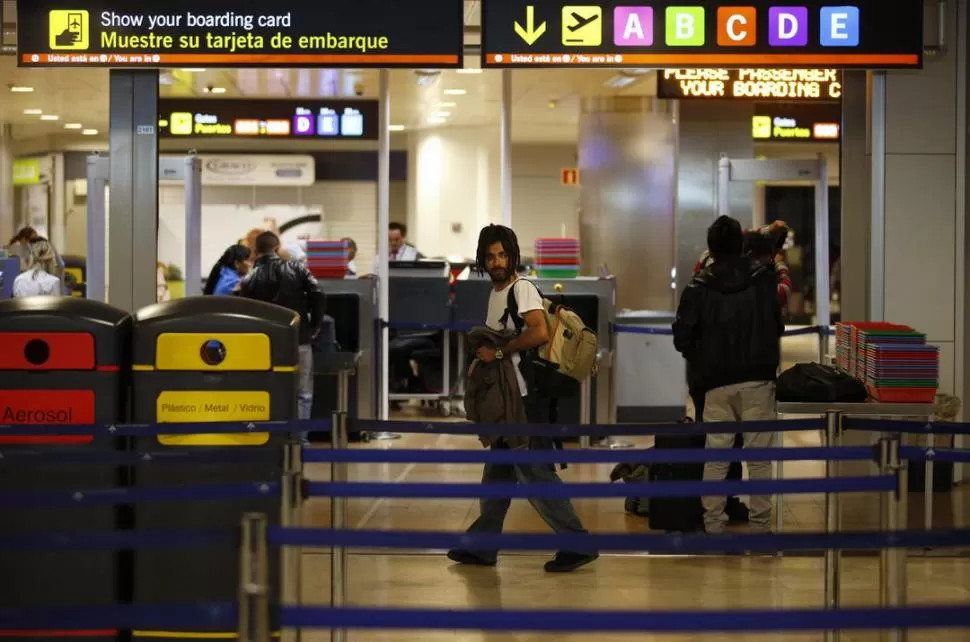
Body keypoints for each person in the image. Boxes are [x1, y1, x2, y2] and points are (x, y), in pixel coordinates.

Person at [447, 224, 598, 573]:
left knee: (537, 475)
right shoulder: (496, 292)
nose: (497, 261)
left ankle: (577, 544)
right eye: (490, 255)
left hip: (524, 401)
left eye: (502, 254)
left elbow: (539, 331)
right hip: (507, 400)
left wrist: (500, 353)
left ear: (513, 254)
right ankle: (483, 547)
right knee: (497, 476)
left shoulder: (522, 289)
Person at [673, 216, 783, 534]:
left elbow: (682, 337)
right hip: (759, 379)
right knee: (759, 457)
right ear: (741, 245)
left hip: (716, 383)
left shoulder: (698, 286)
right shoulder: (763, 280)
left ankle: (714, 524)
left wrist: (705, 361)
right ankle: (761, 526)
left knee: (717, 455)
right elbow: (777, 326)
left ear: (711, 249)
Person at [238, 232, 326, 440]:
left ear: (255, 251)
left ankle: (272, 439)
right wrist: (315, 324)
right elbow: (319, 293)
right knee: (302, 393)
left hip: (264, 344)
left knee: (268, 391)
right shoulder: (297, 268)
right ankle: (300, 441)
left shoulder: (248, 278)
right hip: (299, 339)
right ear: (277, 248)